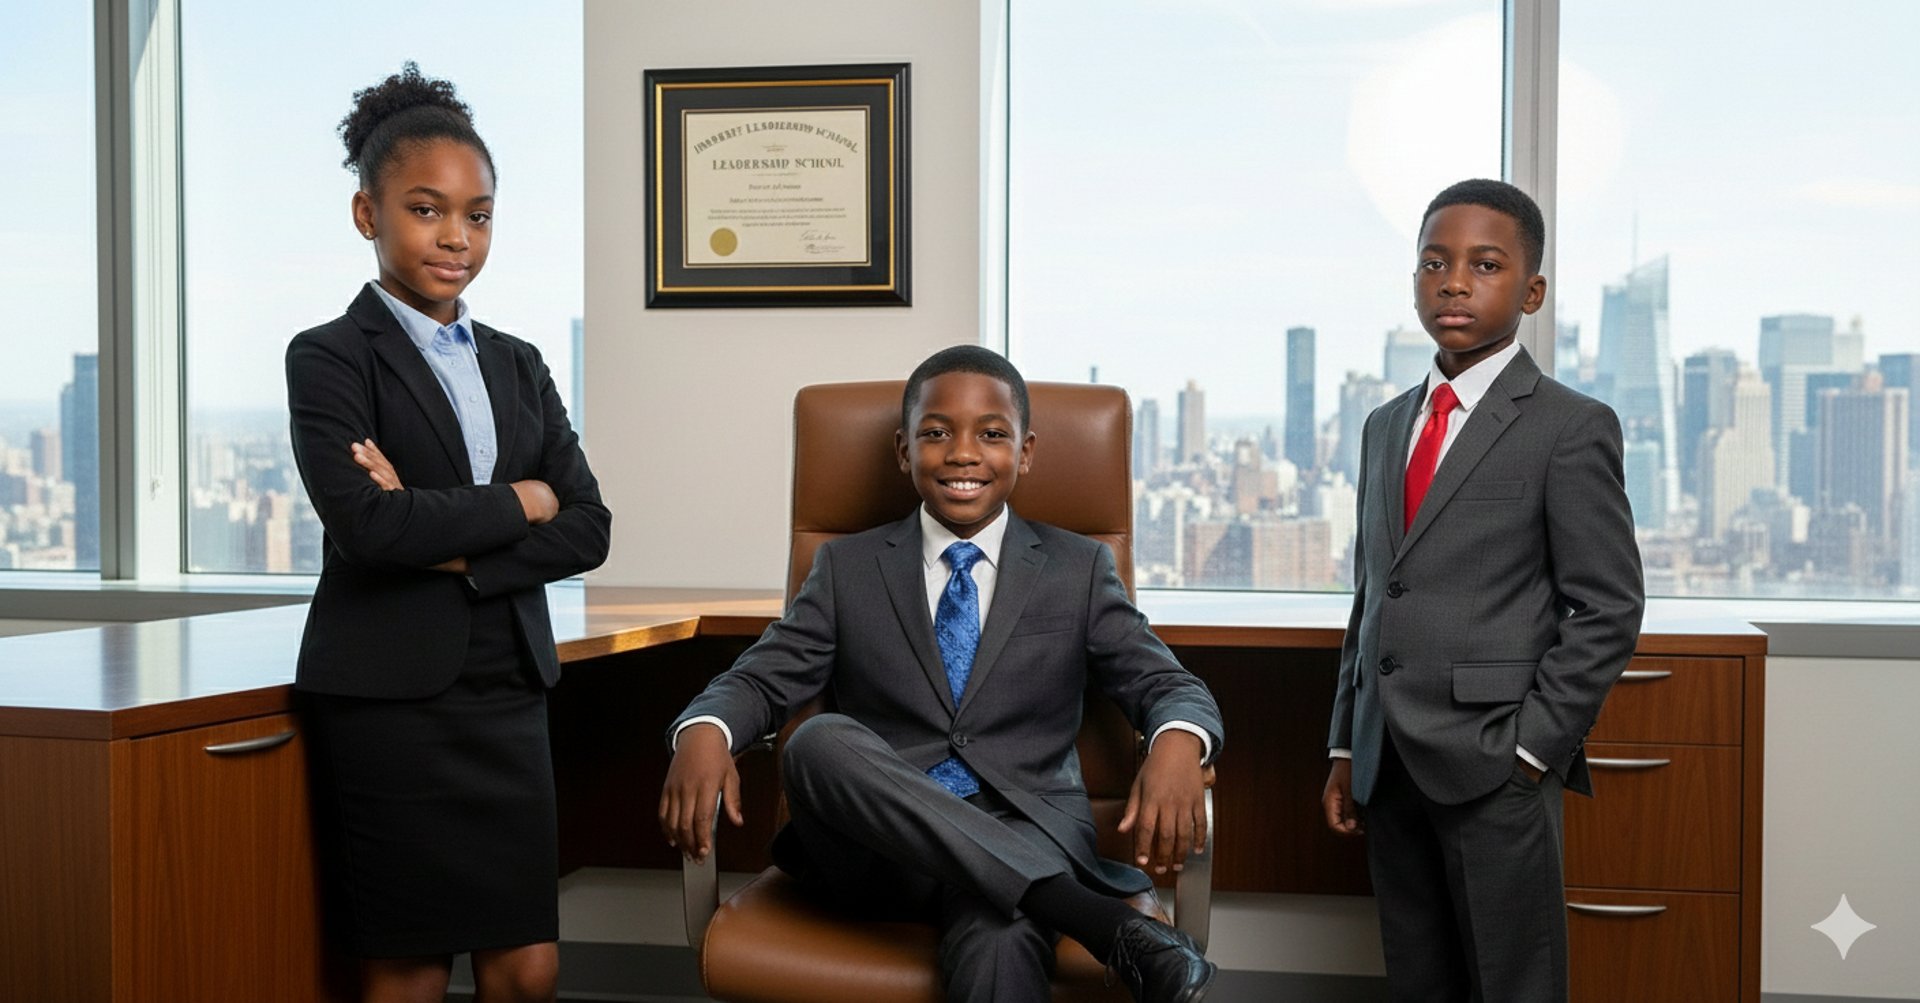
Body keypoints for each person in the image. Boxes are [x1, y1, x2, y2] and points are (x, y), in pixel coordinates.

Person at [660, 346, 1223, 1003]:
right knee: (818, 742)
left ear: (1027, 450)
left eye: (991, 433)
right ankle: (1100, 922)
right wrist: (705, 728)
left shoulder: (1078, 568)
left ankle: (1045, 898)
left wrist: (1178, 739)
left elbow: (1168, 684)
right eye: (936, 433)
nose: (962, 453)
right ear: (903, 450)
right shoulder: (849, 567)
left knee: (1002, 931)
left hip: (1024, 828)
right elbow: (762, 678)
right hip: (879, 853)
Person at [286, 63, 611, 1003]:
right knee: (409, 967)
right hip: (390, 701)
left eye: (478, 214)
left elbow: (589, 525)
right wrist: (524, 499)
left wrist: (456, 543)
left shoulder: (518, 362)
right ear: (367, 213)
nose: (456, 238)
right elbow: (368, 525)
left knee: (527, 965)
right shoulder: (331, 356)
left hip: (507, 686)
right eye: (427, 210)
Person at [1320, 178, 1645, 1001]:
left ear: (1531, 291)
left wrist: (1534, 747)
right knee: (1419, 977)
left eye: (1484, 264)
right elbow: (1375, 592)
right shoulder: (1385, 423)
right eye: (1434, 262)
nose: (1454, 281)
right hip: (1388, 761)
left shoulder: (1569, 425)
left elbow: (1607, 605)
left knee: (1513, 981)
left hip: (1496, 761)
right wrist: (1346, 743)